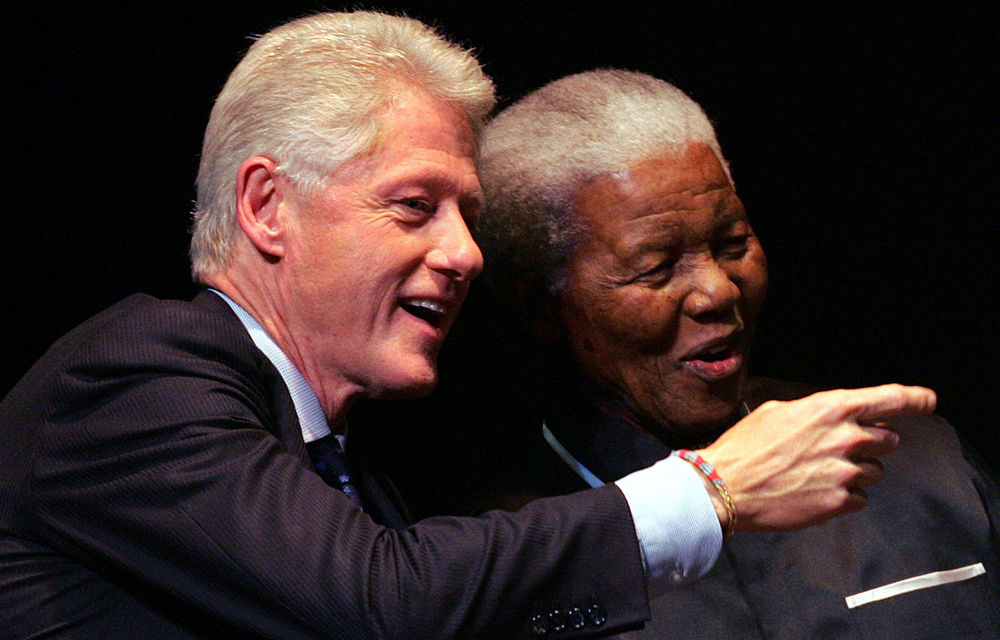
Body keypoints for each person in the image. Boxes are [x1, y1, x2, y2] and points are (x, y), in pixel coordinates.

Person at [0, 13, 935, 640]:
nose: (466, 253)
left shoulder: (349, 473)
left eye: (468, 214)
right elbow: (383, 603)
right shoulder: (134, 376)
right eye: (414, 206)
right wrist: (710, 490)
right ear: (266, 206)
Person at [455, 69, 1000, 638]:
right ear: (541, 307)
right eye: (656, 268)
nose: (720, 290)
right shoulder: (501, 564)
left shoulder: (907, 456)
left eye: (733, 243)